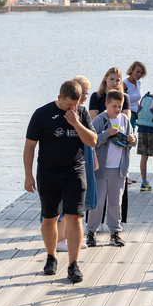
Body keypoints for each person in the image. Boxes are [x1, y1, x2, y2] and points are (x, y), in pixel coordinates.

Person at [24, 79, 97, 283]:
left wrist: (75, 122)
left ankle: (73, 264)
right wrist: (28, 175)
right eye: (68, 104)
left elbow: (92, 141)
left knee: (75, 217)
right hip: (48, 173)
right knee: (50, 218)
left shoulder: (80, 113)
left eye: (76, 104)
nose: (72, 108)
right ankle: (51, 256)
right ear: (59, 98)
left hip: (75, 171)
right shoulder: (42, 114)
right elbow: (30, 146)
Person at [86, 89, 137, 248]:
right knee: (98, 202)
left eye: (120, 106)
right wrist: (106, 133)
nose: (117, 109)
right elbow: (92, 141)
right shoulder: (100, 120)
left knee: (116, 202)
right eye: (114, 106)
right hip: (100, 169)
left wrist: (132, 139)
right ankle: (91, 232)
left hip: (119, 169)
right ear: (107, 104)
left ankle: (115, 232)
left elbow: (133, 142)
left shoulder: (125, 120)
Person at [57, 75, 96, 253]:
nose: (85, 97)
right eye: (83, 93)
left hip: (82, 157)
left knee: (77, 203)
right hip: (62, 164)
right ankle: (60, 239)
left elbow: (92, 137)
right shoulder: (62, 111)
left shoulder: (82, 112)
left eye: (86, 93)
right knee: (63, 204)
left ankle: (72, 238)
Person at [123, 61, 146, 129]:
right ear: (132, 71)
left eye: (141, 73)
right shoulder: (124, 84)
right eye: (137, 72)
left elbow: (136, 100)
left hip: (136, 112)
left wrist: (142, 111)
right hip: (127, 112)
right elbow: (122, 101)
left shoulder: (138, 83)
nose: (139, 74)